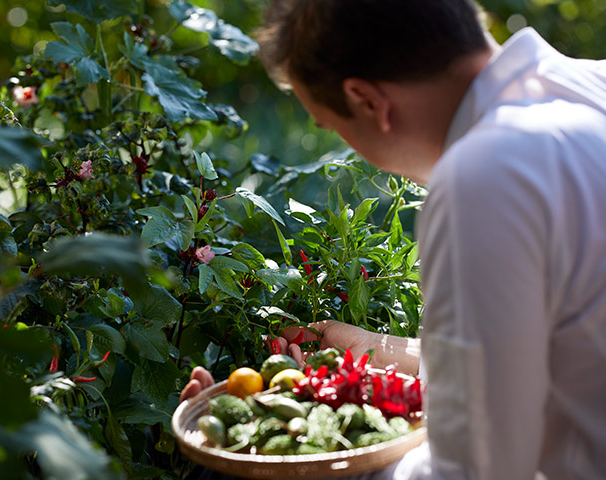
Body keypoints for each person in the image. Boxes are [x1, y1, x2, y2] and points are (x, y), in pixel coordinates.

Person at [184, 0, 606, 478]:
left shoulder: (485, 178)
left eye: (333, 126)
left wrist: (288, 452)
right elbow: (554, 354)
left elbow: (473, 469)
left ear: (367, 101)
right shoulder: (591, 85)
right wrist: (375, 351)